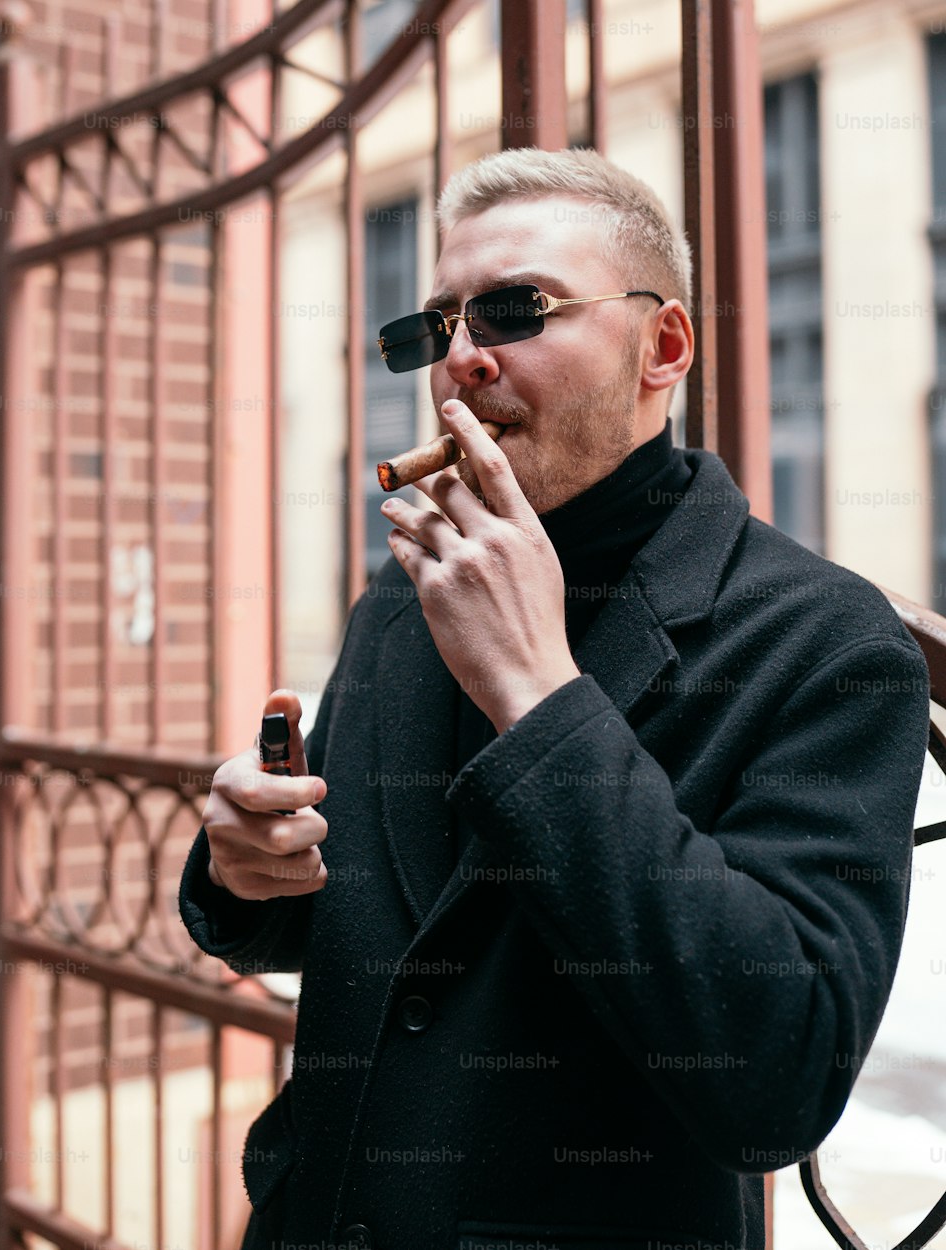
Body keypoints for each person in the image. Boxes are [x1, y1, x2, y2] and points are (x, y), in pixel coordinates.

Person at [179, 147, 930, 1250]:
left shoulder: (823, 639)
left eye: (513, 309)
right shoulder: (406, 591)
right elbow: (370, 924)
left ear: (661, 346)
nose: (462, 360)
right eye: (436, 328)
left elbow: (774, 1073)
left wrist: (538, 692)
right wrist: (250, 868)